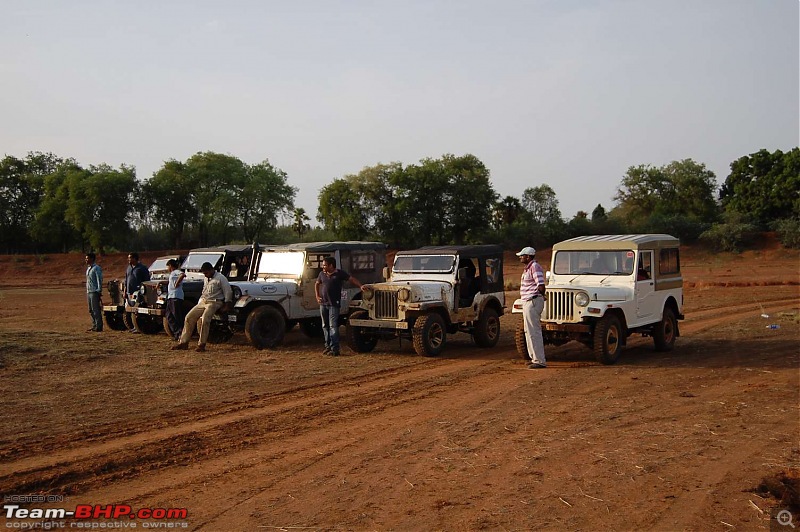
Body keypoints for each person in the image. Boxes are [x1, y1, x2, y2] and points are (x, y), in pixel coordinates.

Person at [172, 262, 232, 352]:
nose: (205, 275)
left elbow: (228, 291)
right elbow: (204, 290)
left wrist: (227, 304)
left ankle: (202, 344)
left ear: (211, 270)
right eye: (204, 273)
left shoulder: (221, 278)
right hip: (204, 301)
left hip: (215, 302)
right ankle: (183, 342)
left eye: (206, 273)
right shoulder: (206, 278)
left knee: (205, 319)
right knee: (189, 317)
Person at [315, 256, 362, 356]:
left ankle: (335, 348)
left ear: (331, 265)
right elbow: (317, 284)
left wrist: (360, 286)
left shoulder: (339, 273)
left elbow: (351, 279)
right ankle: (328, 346)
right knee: (325, 325)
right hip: (323, 303)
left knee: (333, 326)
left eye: (325, 265)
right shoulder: (322, 274)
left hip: (333, 304)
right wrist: (317, 296)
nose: (323, 267)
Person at [517, 246, 547, 369]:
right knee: (528, 331)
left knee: (533, 331)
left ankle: (539, 360)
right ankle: (534, 358)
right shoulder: (528, 268)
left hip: (532, 301)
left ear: (528, 256)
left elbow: (541, 285)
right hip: (529, 301)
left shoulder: (534, 267)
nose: (520, 257)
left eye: (522, 255)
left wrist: (540, 295)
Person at [124, 252, 151, 333]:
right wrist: (125, 291)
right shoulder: (129, 268)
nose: (128, 260)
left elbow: (146, 281)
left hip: (138, 293)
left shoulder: (142, 268)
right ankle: (134, 327)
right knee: (131, 310)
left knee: (137, 310)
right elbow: (126, 280)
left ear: (135, 259)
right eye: (128, 258)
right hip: (129, 292)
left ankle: (138, 327)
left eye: (130, 258)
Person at [165, 259, 186, 341]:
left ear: (170, 266)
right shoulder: (172, 274)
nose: (167, 268)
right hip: (171, 297)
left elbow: (182, 274)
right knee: (169, 315)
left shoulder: (176, 271)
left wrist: (177, 283)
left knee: (177, 316)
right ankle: (177, 333)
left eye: (167, 266)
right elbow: (169, 282)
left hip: (176, 296)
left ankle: (181, 335)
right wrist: (160, 283)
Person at [85, 253, 103, 332]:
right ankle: (94, 325)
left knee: (96, 309)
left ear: (92, 259)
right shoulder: (89, 268)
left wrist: (99, 290)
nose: (86, 260)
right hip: (89, 291)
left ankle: (99, 326)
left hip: (94, 291)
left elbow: (99, 279)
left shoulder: (96, 268)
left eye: (87, 258)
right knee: (90, 310)